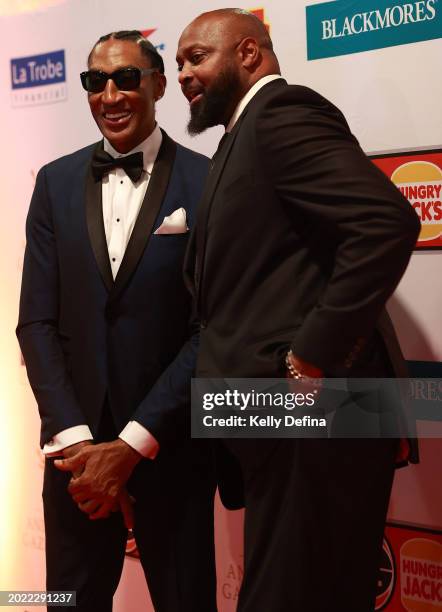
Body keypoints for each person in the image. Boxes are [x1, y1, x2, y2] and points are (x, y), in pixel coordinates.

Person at [176, 9, 421, 612]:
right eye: (179, 61)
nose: (183, 72)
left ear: (251, 54)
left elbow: (386, 222)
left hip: (312, 412)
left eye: (197, 56)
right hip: (274, 418)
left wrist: (311, 358)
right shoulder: (242, 133)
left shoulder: (281, 114)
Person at [17, 30, 216, 612]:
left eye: (127, 78)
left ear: (157, 85)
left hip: (168, 445)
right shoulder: (53, 182)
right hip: (74, 457)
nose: (111, 94)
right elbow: (36, 322)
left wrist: (130, 446)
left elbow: (211, 327)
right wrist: (80, 447)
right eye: (95, 81)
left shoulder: (207, 182)